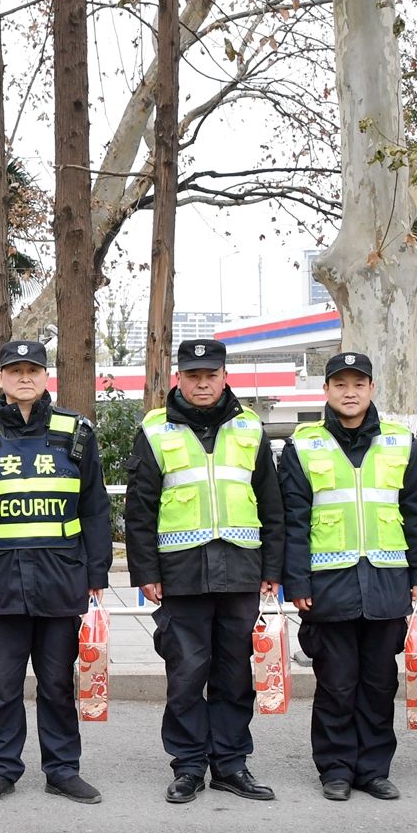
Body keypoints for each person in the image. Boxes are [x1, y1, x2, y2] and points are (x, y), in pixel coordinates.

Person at [0, 340, 113, 806]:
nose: (24, 377)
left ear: (45, 377)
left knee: (57, 684)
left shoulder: (76, 432)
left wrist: (97, 574)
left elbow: (95, 508)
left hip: (61, 578)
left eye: (33, 370)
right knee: (2, 686)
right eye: (15, 370)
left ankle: (62, 770)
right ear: (0, 378)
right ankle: (1, 769)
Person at [125, 338, 285, 805]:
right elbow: (140, 509)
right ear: (178, 378)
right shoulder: (155, 429)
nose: (202, 383)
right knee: (187, 674)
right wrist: (145, 572)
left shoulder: (250, 428)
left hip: (241, 570)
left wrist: (273, 567)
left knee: (235, 675)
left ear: (224, 377)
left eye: (210, 375)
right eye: (193, 376)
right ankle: (189, 766)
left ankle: (231, 765)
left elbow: (271, 503)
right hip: (181, 573)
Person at [279, 352, 417, 801]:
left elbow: (416, 511)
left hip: (387, 582)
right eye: (341, 384)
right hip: (329, 586)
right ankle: (336, 769)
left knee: (380, 683)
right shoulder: (303, 445)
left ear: (371, 389)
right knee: (336, 683)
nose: (350, 392)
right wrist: (297, 582)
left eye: (359, 384)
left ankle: (373, 769)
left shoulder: (400, 443)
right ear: (326, 390)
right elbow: (293, 520)